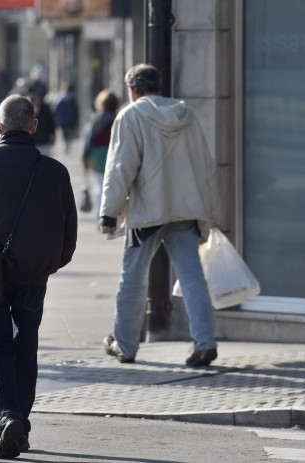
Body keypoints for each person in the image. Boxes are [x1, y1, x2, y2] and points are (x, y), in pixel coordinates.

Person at [0, 95, 78, 459]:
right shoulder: (55, 171)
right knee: (27, 346)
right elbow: (68, 228)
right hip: (35, 273)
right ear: (34, 126)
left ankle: (8, 416)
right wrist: (53, 262)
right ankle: (20, 419)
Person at [99, 64, 223, 367]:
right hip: (186, 208)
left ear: (132, 90)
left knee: (133, 278)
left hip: (148, 211)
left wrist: (109, 213)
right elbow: (206, 165)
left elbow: (121, 167)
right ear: (159, 86)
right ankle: (205, 343)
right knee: (192, 276)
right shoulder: (186, 114)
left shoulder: (130, 116)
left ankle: (125, 345)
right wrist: (213, 211)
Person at [82, 89, 119, 214]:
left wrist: (84, 159)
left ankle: (100, 213)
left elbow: (88, 140)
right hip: (115, 156)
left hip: (97, 157)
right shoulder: (119, 118)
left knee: (99, 187)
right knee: (112, 187)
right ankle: (110, 212)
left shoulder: (96, 119)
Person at [52, 82, 79, 155]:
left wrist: (57, 119)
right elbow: (75, 111)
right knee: (69, 134)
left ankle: (66, 145)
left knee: (65, 134)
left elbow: (57, 110)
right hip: (70, 120)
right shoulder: (72, 100)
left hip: (63, 120)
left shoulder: (60, 99)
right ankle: (68, 145)